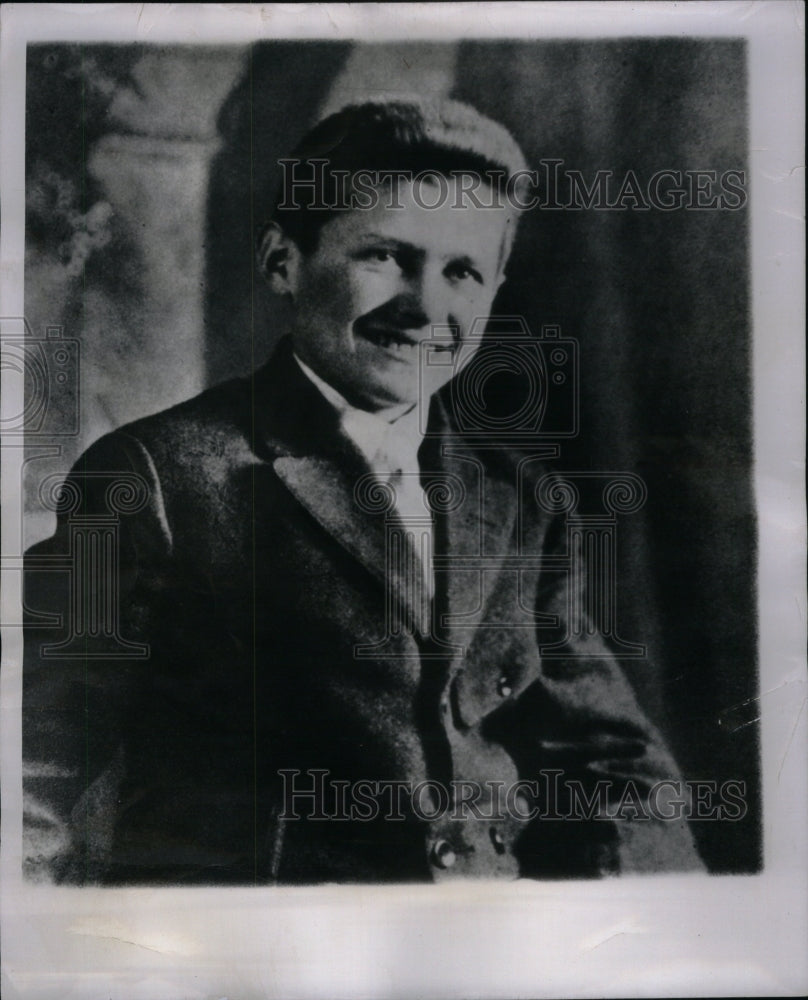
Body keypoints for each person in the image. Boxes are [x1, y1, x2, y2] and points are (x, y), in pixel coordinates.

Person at [23, 98, 703, 885]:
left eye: (462, 272)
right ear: (284, 261)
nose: (426, 307)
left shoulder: (519, 500)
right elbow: (31, 760)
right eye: (384, 257)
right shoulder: (152, 475)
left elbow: (615, 763)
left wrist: (638, 932)